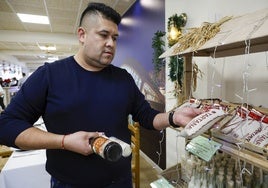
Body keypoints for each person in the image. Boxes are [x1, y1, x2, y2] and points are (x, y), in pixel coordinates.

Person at [0, 3, 203, 188]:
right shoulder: (49, 76)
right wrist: (63, 141)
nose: (111, 43)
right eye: (103, 35)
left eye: (114, 38)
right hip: (69, 184)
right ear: (82, 35)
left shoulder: (123, 78)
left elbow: (148, 117)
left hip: (120, 181)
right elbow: (7, 126)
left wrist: (173, 117)